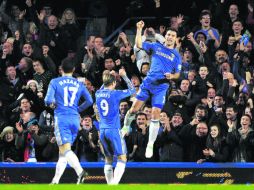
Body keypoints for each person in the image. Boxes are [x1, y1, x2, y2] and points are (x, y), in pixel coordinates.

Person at [123, 20, 182, 158]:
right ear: (165, 36)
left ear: (175, 39)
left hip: (161, 87)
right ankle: (125, 126)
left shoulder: (176, 56)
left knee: (155, 114)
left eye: (172, 35)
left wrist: (172, 75)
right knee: (133, 110)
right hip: (148, 83)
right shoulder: (156, 46)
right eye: (168, 34)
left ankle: (150, 143)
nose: (169, 37)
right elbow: (138, 45)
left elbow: (178, 75)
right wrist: (139, 29)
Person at [44, 58, 93, 184]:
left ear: (61, 69)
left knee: (66, 150)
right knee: (63, 152)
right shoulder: (79, 84)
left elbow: (48, 100)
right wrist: (77, 109)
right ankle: (55, 181)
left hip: (62, 119)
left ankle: (81, 172)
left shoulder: (55, 82)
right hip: (75, 120)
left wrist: (53, 104)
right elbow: (90, 101)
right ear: (74, 69)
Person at [95, 68, 135, 185]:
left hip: (102, 130)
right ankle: (114, 185)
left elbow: (104, 87)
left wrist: (108, 78)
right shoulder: (115, 93)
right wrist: (124, 75)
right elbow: (132, 90)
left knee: (108, 159)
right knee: (122, 158)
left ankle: (110, 184)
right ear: (114, 83)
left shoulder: (98, 93)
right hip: (113, 130)